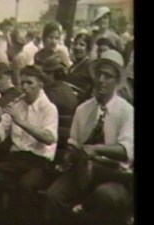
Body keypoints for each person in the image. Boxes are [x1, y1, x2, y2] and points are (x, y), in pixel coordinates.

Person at [43, 50, 133, 225]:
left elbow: (126, 150)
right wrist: (69, 156)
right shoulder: (83, 109)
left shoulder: (127, 112)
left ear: (116, 82)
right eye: (99, 74)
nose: (101, 79)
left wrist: (96, 149)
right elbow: (74, 143)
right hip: (82, 171)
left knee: (104, 196)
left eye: (108, 76)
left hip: (114, 174)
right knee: (53, 196)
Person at [0, 65, 58, 224]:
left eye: (29, 83)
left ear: (40, 85)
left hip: (39, 163)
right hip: (16, 160)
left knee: (25, 188)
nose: (24, 87)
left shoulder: (49, 108)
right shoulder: (17, 105)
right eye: (22, 83)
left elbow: (49, 138)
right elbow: (1, 135)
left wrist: (20, 122)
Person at [66, 33, 93, 104]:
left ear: (88, 48)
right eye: (75, 44)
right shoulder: (72, 66)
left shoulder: (89, 67)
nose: (77, 47)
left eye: (82, 45)